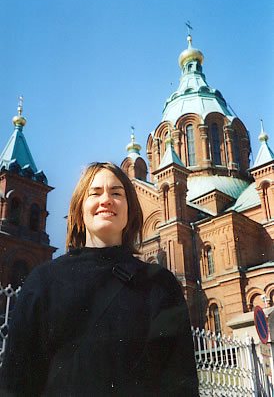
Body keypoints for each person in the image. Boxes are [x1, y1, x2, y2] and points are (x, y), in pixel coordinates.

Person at [0, 162, 199, 397]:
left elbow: (180, 382)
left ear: (130, 210)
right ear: (79, 210)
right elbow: (16, 382)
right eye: (95, 193)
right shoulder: (44, 281)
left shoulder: (160, 284)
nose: (106, 200)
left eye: (116, 193)